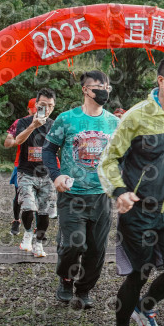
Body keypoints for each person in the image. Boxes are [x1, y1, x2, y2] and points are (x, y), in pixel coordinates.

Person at [98, 55, 164, 326]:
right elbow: (108, 159)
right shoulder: (137, 115)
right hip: (139, 211)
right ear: (161, 81)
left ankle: (144, 307)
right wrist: (119, 191)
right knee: (139, 273)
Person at [43, 70, 119, 310]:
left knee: (96, 249)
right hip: (72, 194)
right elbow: (48, 150)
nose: (104, 91)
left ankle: (84, 289)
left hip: (101, 196)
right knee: (74, 244)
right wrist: (56, 175)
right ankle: (66, 279)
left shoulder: (114, 122)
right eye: (98, 86)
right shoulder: (66, 119)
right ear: (85, 90)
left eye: (107, 87)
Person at [13, 89, 57, 257]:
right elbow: (18, 140)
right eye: (43, 105)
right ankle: (27, 232)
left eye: (50, 106)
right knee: (28, 207)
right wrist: (33, 126)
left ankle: (38, 243)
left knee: (44, 212)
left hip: (47, 174)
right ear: (36, 104)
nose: (47, 109)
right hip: (26, 172)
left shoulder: (54, 125)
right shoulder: (24, 122)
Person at [5, 98, 38, 235]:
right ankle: (16, 220)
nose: (35, 113)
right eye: (33, 110)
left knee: (39, 197)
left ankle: (37, 227)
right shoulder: (20, 122)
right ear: (28, 109)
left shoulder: (48, 122)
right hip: (22, 164)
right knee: (19, 194)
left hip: (41, 165)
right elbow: (8, 140)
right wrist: (13, 140)